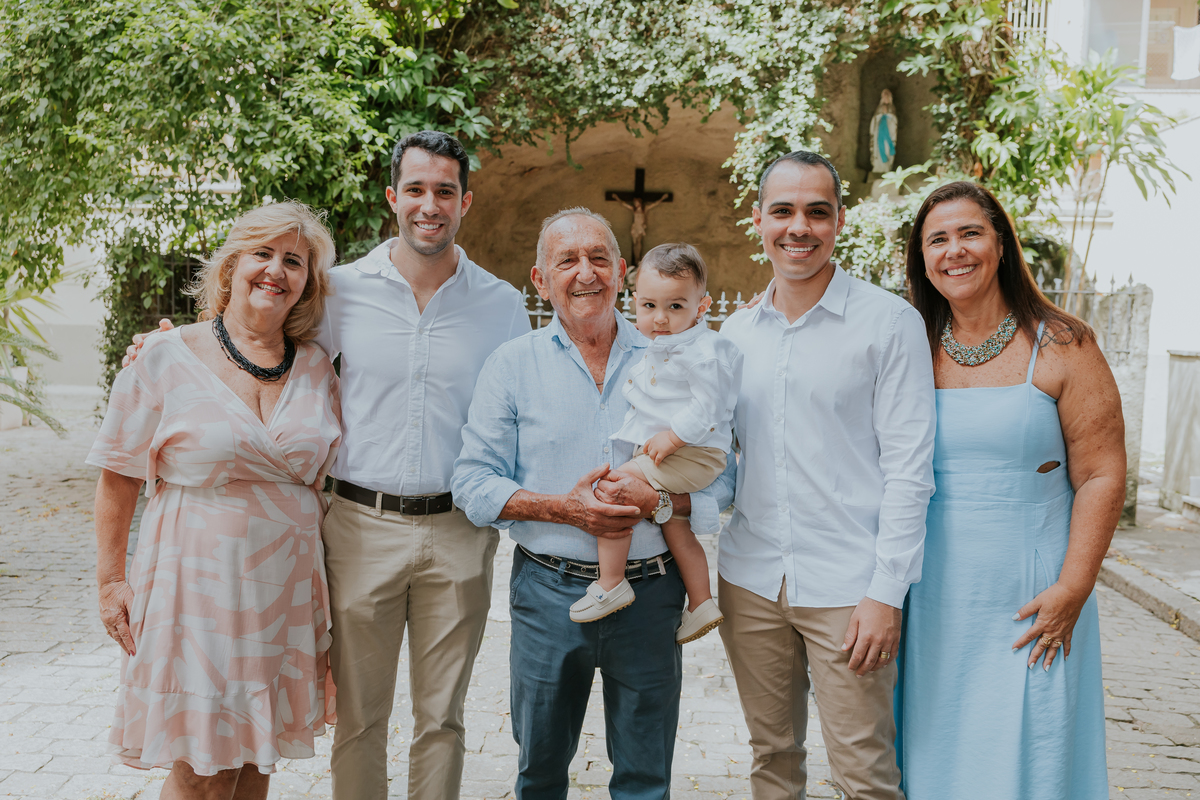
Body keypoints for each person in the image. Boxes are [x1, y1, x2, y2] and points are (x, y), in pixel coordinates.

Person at [122, 130, 531, 800]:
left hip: (459, 531)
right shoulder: (339, 292)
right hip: (358, 527)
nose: (430, 204)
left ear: (466, 203)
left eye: (446, 191)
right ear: (393, 197)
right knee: (359, 718)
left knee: (443, 720)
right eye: (418, 189)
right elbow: (256, 341)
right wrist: (174, 341)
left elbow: (527, 403)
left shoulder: (503, 305)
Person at [452, 208, 723, 800]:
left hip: (652, 593)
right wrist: (565, 510)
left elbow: (725, 472)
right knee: (541, 773)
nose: (585, 273)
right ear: (539, 279)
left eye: (599, 258)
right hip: (548, 594)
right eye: (566, 261)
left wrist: (661, 502)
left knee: (645, 779)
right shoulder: (511, 366)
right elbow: (472, 483)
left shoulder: (675, 353)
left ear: (622, 271)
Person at [89, 201, 341, 799]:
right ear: (231, 266)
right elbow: (118, 475)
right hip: (195, 591)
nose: (276, 270)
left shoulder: (315, 367)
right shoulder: (164, 357)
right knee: (202, 771)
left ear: (307, 282)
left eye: (294, 261)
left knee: (258, 760)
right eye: (262, 254)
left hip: (283, 594)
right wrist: (109, 583)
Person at [713, 151, 936, 800]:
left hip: (849, 586)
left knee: (864, 774)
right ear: (758, 220)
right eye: (782, 211)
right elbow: (725, 464)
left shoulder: (888, 324)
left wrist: (886, 592)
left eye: (816, 211)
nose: (798, 227)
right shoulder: (735, 333)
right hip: (750, 579)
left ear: (840, 220)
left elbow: (909, 471)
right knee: (772, 760)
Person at [895, 180, 1124, 799]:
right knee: (930, 748)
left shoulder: (1064, 345)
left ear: (1000, 243)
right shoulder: (905, 344)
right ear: (922, 256)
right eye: (937, 239)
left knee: (1029, 748)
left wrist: (1073, 587)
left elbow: (1102, 473)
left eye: (970, 232)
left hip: (1031, 593)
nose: (955, 251)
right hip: (928, 592)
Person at [569, 242, 740, 646]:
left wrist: (673, 435)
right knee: (675, 525)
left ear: (702, 306)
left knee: (613, 490)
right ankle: (701, 602)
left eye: (676, 307)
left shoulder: (702, 351)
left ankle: (611, 584)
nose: (660, 319)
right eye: (648, 306)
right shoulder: (669, 343)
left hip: (693, 451)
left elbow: (711, 406)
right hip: (684, 452)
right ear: (634, 302)